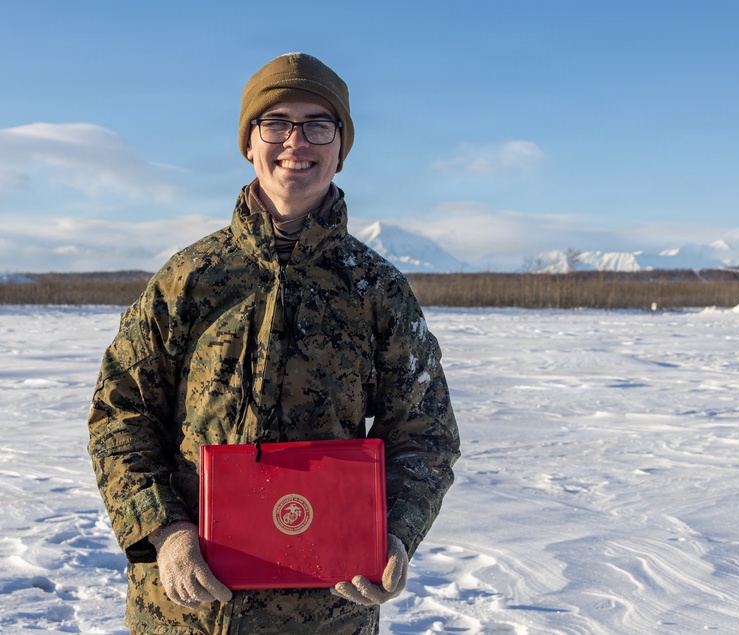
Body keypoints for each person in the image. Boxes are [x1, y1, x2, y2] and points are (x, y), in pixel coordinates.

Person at [88, 52, 460, 635]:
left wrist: (394, 534)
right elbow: (121, 413)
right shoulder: (189, 278)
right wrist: (167, 532)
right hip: (187, 609)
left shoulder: (377, 290)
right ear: (249, 142)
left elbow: (425, 434)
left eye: (318, 124)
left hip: (327, 611)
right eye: (276, 123)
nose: (296, 141)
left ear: (341, 148)